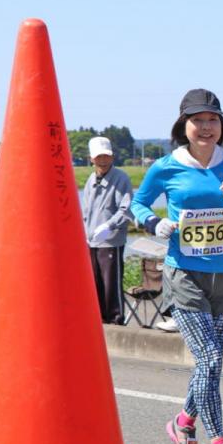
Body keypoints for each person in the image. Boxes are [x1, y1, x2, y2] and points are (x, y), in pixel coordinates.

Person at [132, 89, 223, 444]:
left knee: (212, 363)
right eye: (198, 120)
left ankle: (183, 423)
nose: (206, 127)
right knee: (207, 359)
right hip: (184, 274)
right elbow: (138, 204)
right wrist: (156, 223)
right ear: (183, 126)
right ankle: (220, 443)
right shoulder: (165, 167)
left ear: (221, 126)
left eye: (213, 120)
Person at [82, 136, 134, 324]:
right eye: (99, 157)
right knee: (94, 283)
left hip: (111, 240)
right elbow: (86, 211)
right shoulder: (90, 179)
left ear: (112, 157)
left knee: (111, 282)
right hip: (92, 240)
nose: (103, 160)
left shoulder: (121, 178)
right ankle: (99, 319)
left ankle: (116, 319)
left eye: (106, 156)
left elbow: (126, 209)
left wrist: (110, 226)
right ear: (91, 158)